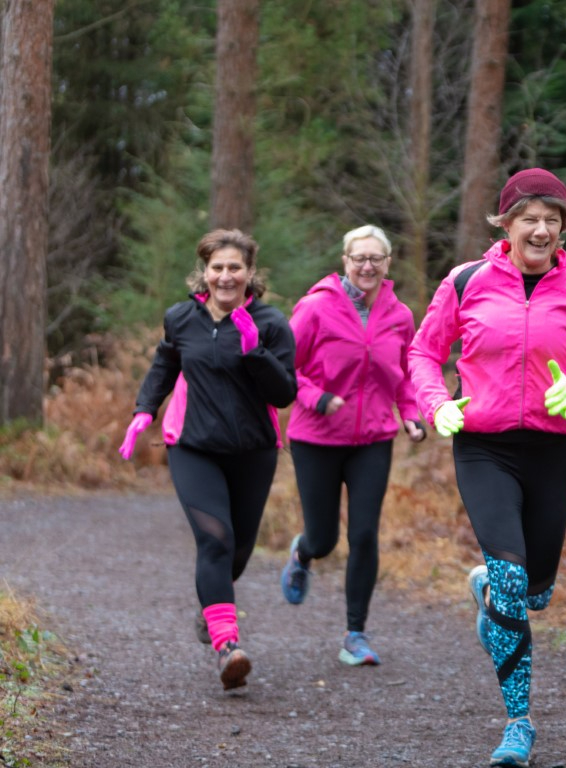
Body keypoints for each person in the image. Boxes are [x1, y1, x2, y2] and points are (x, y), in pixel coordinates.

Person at [408, 168, 566, 767]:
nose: (542, 230)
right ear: (507, 225)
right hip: (484, 447)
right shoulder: (467, 281)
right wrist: (437, 403)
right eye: (530, 219)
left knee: (536, 590)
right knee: (512, 580)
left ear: (563, 228)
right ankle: (517, 723)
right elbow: (424, 352)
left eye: (552, 220)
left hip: (552, 450)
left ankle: (493, 593)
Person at [118, 229, 297, 691]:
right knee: (215, 540)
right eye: (217, 267)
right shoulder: (182, 318)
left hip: (254, 451)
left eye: (234, 267)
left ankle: (210, 605)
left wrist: (254, 349)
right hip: (194, 447)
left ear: (250, 273)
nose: (225, 276)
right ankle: (227, 646)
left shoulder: (272, 322)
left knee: (237, 549)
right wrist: (143, 411)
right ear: (204, 272)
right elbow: (165, 364)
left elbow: (284, 393)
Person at [278, 225, 426, 666]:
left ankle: (355, 635)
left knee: (364, 534)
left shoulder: (399, 315)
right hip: (316, 437)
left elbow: (403, 377)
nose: (367, 266)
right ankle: (303, 553)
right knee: (324, 539)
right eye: (359, 258)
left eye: (375, 258)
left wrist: (413, 416)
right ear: (345, 261)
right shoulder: (315, 308)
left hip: (373, 439)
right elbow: (281, 366)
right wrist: (316, 398)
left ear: (388, 262)